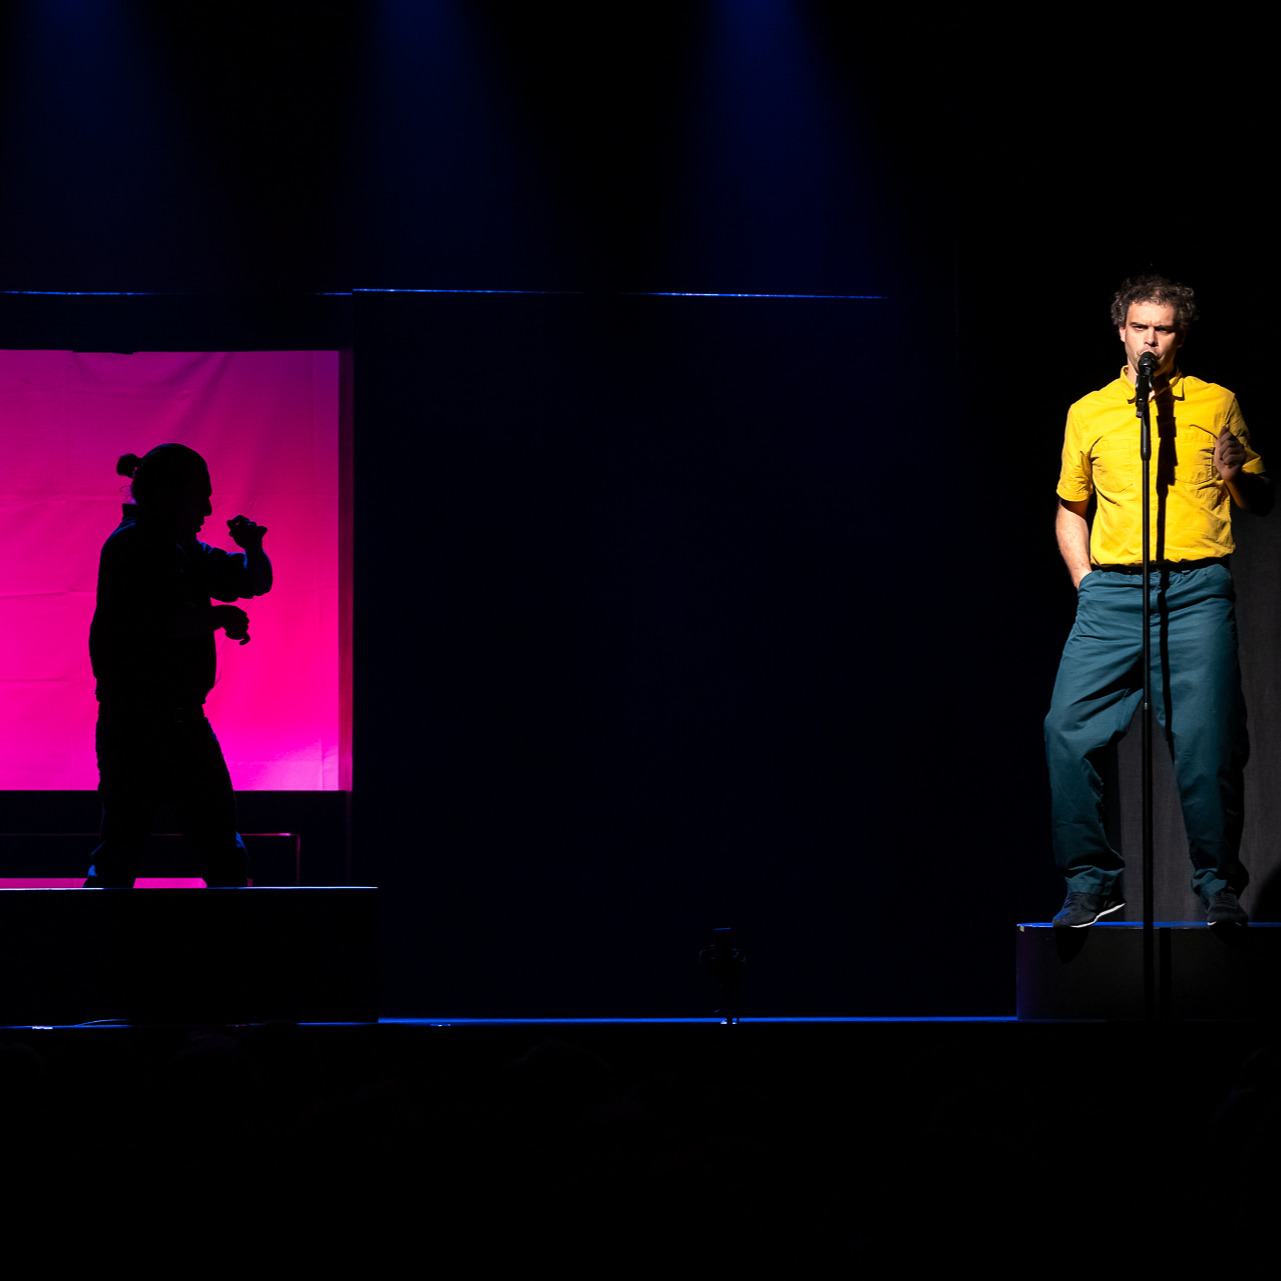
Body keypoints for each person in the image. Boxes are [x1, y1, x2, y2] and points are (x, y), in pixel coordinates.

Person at [1044, 275, 1271, 928]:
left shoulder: (1215, 402)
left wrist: (1235, 477)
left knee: (1207, 745)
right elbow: (1069, 508)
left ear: (1179, 334)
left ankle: (1217, 887)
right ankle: (1090, 882)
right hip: (1112, 592)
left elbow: (1260, 498)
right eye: (1139, 326)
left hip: (1195, 591)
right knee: (1064, 731)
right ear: (1120, 330)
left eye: (1162, 328)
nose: (1149, 339)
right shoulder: (1087, 412)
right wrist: (1086, 580)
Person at [83, 443, 272, 888]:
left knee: (208, 847)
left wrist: (252, 548)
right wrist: (221, 615)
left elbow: (252, 581)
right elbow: (165, 621)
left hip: (177, 723)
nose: (208, 507)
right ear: (168, 495)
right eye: (199, 495)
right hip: (137, 725)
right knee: (128, 850)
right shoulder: (133, 548)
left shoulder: (182, 548)